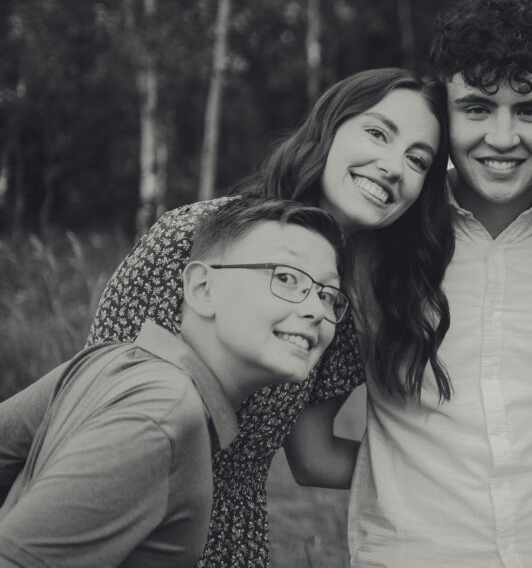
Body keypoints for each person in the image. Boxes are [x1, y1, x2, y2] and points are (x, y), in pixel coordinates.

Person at [286, 0, 532, 566]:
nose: (501, 136)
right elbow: (311, 454)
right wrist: (409, 484)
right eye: (476, 108)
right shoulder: (374, 239)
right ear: (444, 113)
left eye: (529, 110)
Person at [83, 68, 455, 567]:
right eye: (377, 133)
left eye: (417, 160)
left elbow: (313, 455)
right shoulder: (195, 237)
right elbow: (93, 398)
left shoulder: (339, 300)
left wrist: (452, 468)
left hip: (233, 541)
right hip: (124, 521)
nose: (393, 166)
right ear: (329, 127)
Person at [0, 197, 344, 567]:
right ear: (202, 288)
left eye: (327, 295)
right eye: (287, 278)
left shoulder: (114, 358)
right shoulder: (165, 418)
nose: (315, 310)